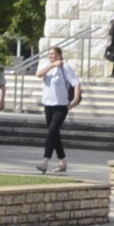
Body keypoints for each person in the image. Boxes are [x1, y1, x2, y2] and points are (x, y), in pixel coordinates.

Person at [37, 45, 80, 173]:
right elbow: (38, 74)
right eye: (50, 54)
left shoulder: (65, 67)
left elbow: (76, 83)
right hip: (48, 104)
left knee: (52, 131)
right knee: (54, 134)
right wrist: (51, 65)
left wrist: (75, 99)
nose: (51, 56)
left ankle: (45, 160)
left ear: (60, 55)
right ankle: (63, 162)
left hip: (61, 105)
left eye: (54, 54)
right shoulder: (45, 65)